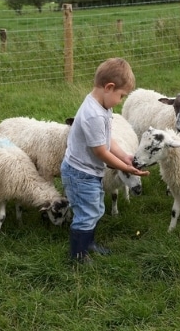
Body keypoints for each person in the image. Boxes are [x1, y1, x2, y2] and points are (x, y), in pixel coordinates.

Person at [60, 57, 149, 263]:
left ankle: (87, 243)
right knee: (86, 213)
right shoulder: (93, 115)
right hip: (80, 173)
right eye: (121, 95)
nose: (121, 101)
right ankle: (78, 255)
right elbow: (100, 151)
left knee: (95, 209)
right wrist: (127, 168)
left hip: (88, 171)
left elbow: (107, 139)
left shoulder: (103, 107)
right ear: (109, 87)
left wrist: (125, 156)